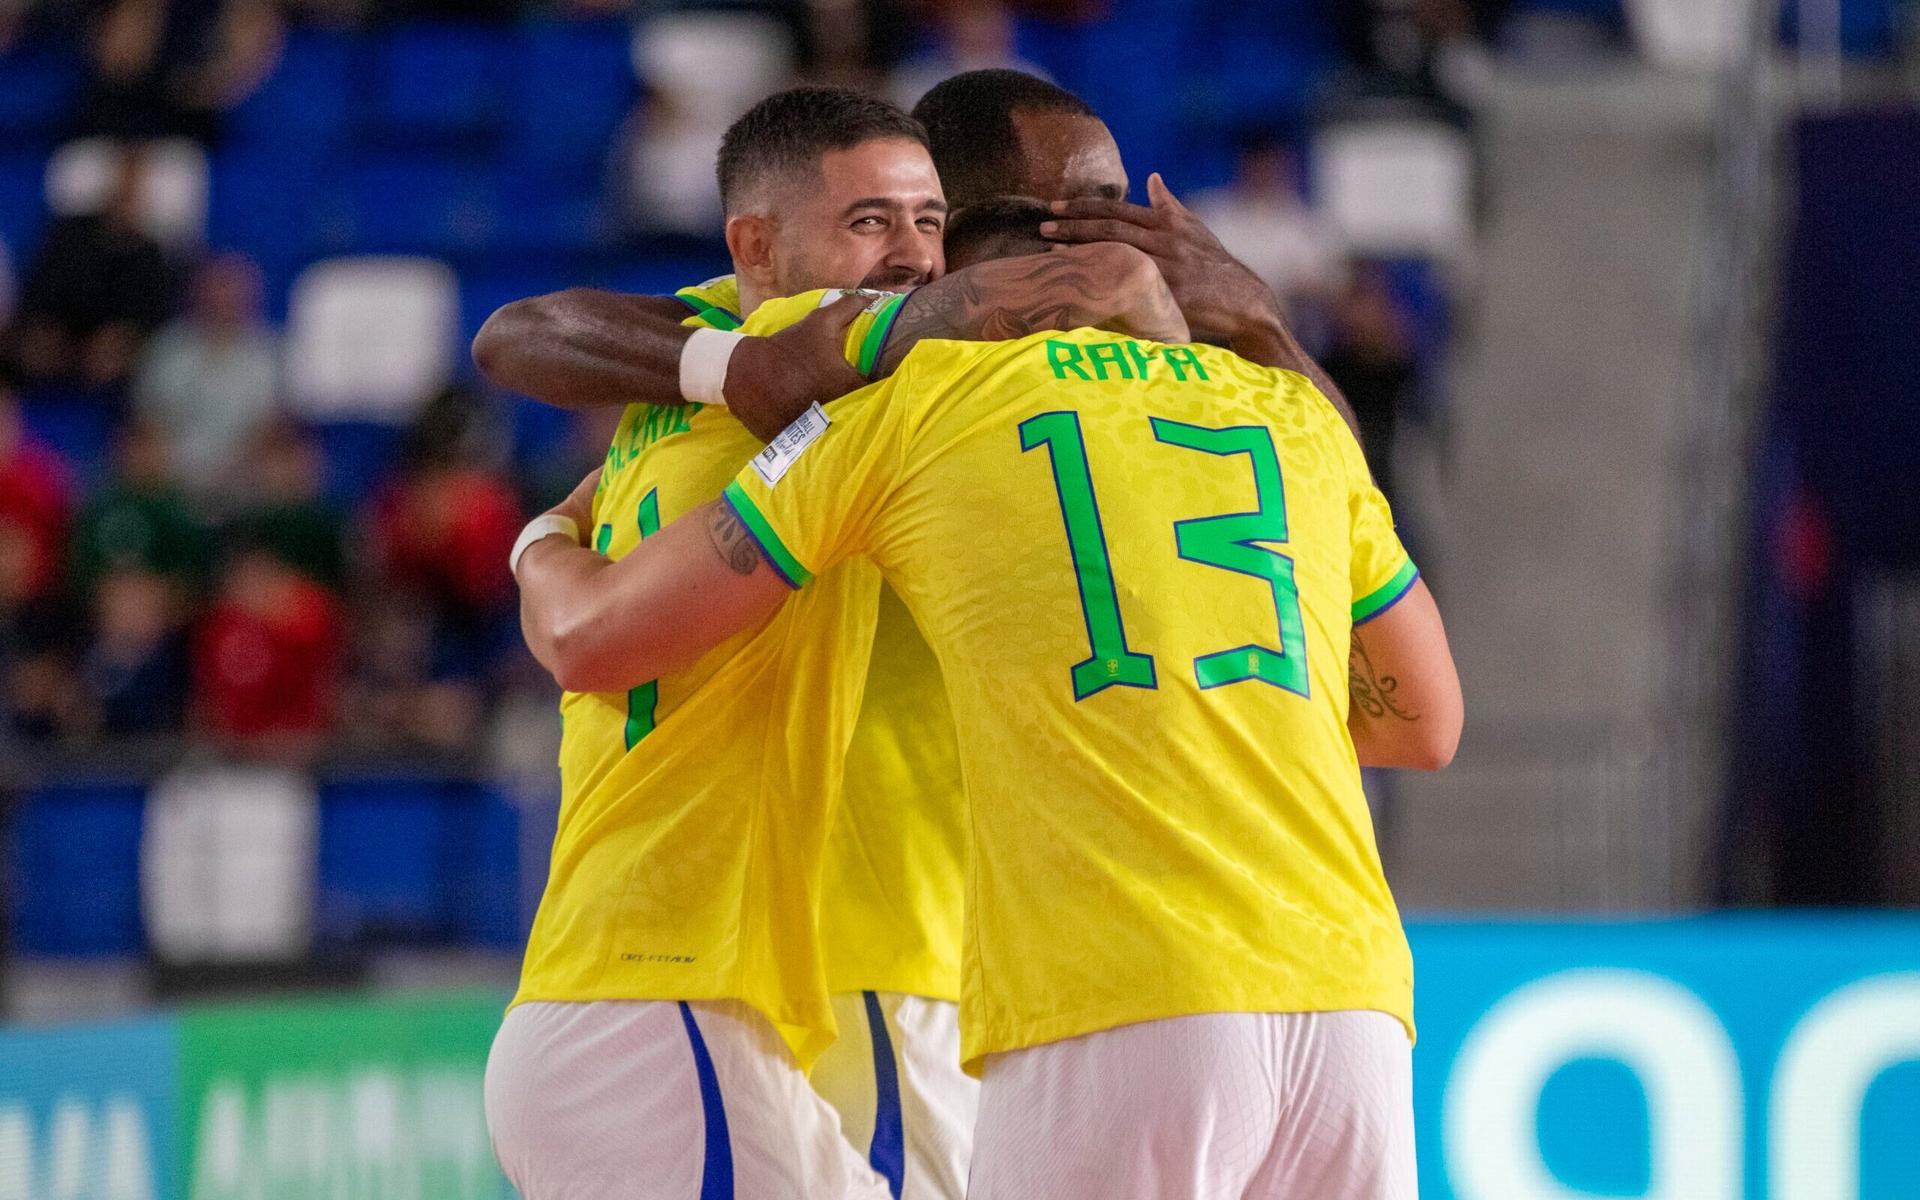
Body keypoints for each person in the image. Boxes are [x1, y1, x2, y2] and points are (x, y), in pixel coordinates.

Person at [516, 202, 1461, 1200]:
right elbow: (1422, 724)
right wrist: (1262, 329)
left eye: (928, 222)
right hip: (1347, 995)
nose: (910, 251)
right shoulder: (1285, 410)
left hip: (1057, 980)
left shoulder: (904, 399)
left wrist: (542, 540)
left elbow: (601, 624)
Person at [483, 86, 1181, 1199]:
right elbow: (521, 343)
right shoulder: (859, 377)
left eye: (925, 222)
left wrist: (539, 546)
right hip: (855, 949)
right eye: (1070, 209)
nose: (1089, 237)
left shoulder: (789, 360)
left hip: (763, 969)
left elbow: (524, 346)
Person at [134, 252, 281, 495]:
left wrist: (228, 472)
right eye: (217, 286)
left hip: (246, 473)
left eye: (232, 288)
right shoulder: (168, 349)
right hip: (172, 474)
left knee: (282, 466)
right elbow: (151, 421)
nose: (223, 297)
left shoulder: (269, 354)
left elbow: (270, 427)